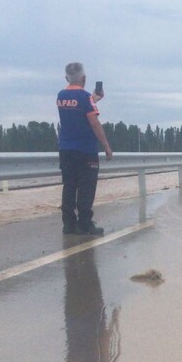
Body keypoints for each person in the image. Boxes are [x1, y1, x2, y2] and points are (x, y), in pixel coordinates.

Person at [57, 62, 113, 235]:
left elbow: (76, 108)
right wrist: (106, 146)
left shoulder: (61, 96)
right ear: (84, 78)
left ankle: (68, 224)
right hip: (86, 150)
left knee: (69, 186)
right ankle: (85, 223)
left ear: (66, 77)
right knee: (86, 188)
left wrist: (94, 99)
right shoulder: (86, 98)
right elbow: (94, 123)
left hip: (66, 150)